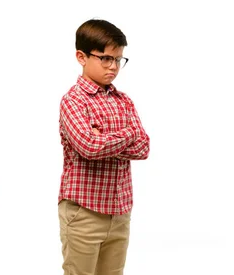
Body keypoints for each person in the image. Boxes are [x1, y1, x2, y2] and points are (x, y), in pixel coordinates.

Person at [57, 19, 150, 275]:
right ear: (81, 56)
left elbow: (143, 146)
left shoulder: (124, 101)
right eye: (106, 58)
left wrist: (106, 137)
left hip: (120, 212)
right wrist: (126, 135)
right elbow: (88, 146)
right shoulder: (73, 101)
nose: (113, 67)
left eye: (118, 60)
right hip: (84, 212)